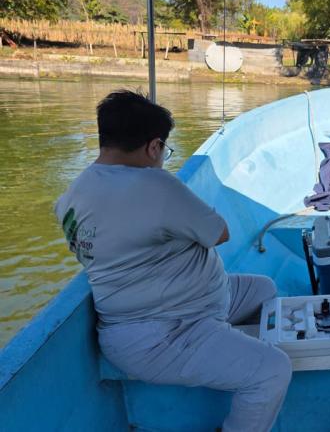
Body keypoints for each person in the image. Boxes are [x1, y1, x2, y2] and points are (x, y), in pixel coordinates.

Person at [55, 90, 291, 432]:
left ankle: (227, 346)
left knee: (264, 288)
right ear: (153, 147)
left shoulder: (71, 198)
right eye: (164, 149)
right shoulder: (154, 184)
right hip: (166, 333)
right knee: (273, 370)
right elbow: (219, 233)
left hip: (182, 309)